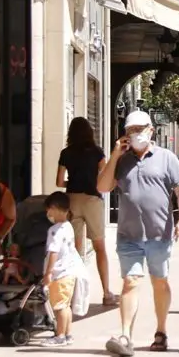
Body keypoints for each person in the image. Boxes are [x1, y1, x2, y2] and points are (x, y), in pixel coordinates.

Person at [98, 110, 179, 357]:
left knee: (159, 281)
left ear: (150, 130)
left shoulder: (166, 158)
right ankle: (126, 334)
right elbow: (103, 187)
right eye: (130, 130)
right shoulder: (122, 160)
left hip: (159, 233)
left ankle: (161, 330)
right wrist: (115, 155)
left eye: (139, 129)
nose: (135, 134)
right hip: (129, 234)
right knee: (130, 282)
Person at [56, 117, 116, 306]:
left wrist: (71, 182)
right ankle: (106, 293)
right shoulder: (97, 152)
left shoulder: (66, 153)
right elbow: (105, 177)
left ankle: (74, 295)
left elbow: (58, 182)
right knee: (99, 247)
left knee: (74, 250)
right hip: (92, 200)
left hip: (72, 199)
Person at [41, 191, 85, 347]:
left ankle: (59, 335)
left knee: (59, 307)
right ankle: (67, 334)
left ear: (54, 208)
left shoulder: (54, 230)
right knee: (66, 306)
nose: (48, 213)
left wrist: (48, 273)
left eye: (49, 209)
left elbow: (53, 252)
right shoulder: (69, 227)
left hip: (59, 274)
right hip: (69, 272)